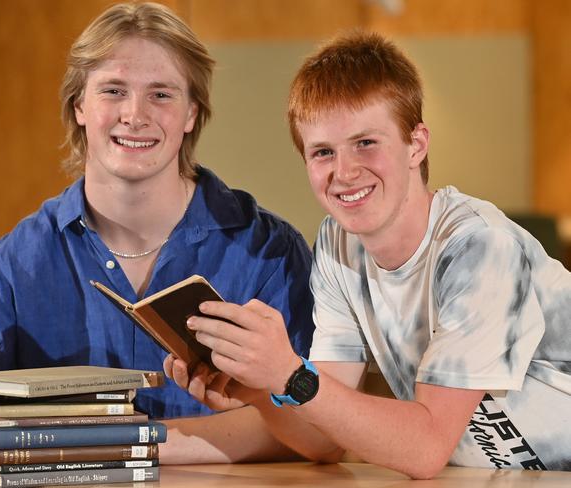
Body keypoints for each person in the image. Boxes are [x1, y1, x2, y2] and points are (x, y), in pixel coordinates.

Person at [0, 1, 314, 463]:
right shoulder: (20, 260)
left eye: (161, 95)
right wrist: (22, 441)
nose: (135, 114)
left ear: (191, 113)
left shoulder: (270, 252)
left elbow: (312, 424)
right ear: (80, 106)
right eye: (113, 90)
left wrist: (105, 445)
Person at [165, 31, 571, 478]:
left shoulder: (480, 247)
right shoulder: (339, 247)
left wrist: (288, 372)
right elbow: (325, 438)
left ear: (416, 144)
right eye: (323, 152)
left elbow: (424, 448)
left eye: (365, 143)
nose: (344, 172)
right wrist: (263, 392)